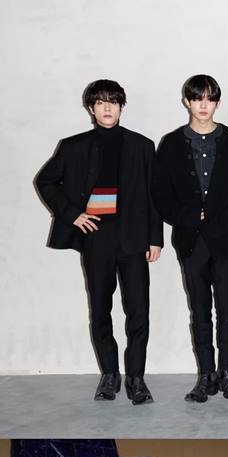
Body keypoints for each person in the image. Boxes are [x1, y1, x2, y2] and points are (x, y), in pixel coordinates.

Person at [36, 80, 163, 405]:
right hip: (96, 238)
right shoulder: (73, 146)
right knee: (101, 309)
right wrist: (73, 215)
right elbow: (46, 181)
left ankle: (136, 378)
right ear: (91, 108)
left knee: (138, 310)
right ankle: (109, 375)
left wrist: (155, 239)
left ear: (121, 107)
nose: (107, 108)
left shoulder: (142, 145)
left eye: (113, 102)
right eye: (101, 102)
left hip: (134, 237)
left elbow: (154, 196)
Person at [152, 74, 228, 402]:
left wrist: (219, 220)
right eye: (197, 98)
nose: (203, 105)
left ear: (217, 103)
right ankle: (205, 376)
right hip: (191, 240)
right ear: (187, 101)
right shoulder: (171, 143)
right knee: (199, 310)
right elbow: (161, 193)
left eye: (209, 98)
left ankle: (226, 374)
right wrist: (188, 217)